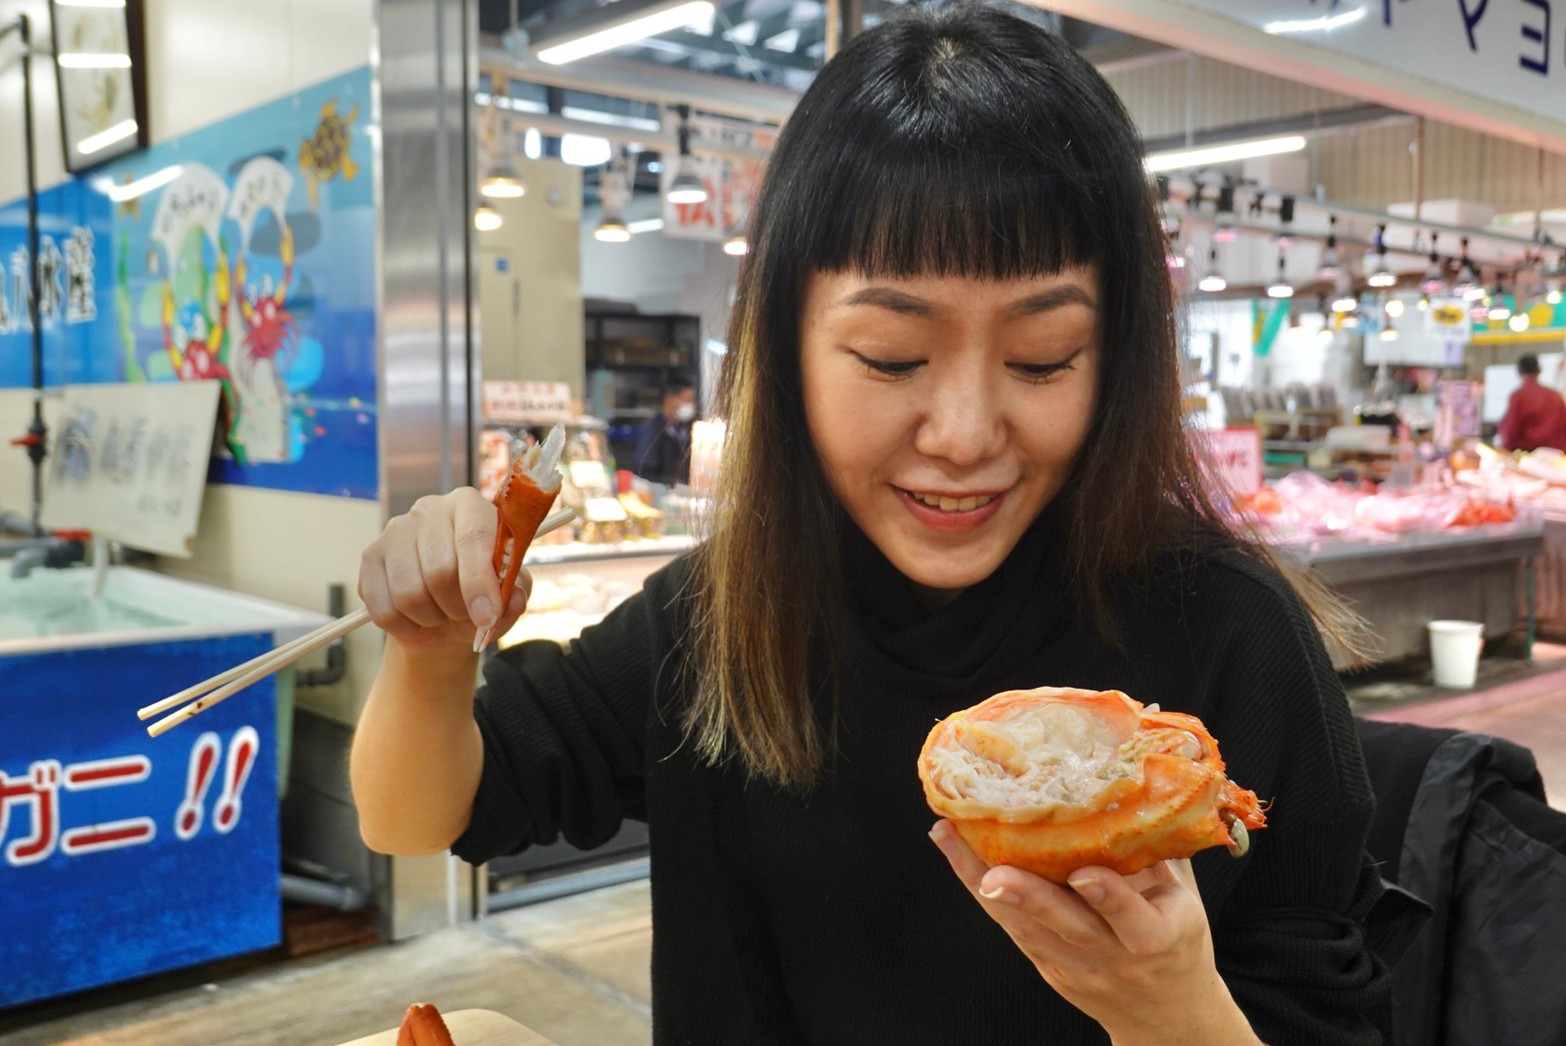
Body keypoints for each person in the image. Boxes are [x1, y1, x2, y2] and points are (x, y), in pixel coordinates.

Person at [351, 8, 1390, 1043]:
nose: (966, 433)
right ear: (787, 346)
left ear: (1114, 355)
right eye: (892, 356)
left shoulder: (1228, 639)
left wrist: (1172, 1010)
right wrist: (432, 644)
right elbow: (416, 817)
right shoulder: (727, 617)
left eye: (1043, 358)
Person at [1497, 354, 1566, 452]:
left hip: (1527, 456)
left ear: (1519, 372)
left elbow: (1510, 431)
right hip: (1557, 458)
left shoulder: (1519, 396)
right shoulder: (1555, 396)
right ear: (1539, 371)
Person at [631, 382, 695, 484]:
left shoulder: (686, 429)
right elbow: (644, 471)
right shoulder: (652, 430)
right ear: (669, 399)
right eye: (687, 401)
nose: (691, 406)